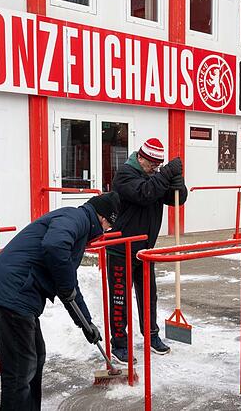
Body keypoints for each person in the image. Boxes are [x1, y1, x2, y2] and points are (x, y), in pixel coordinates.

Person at [0, 192, 120, 411]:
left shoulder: (78, 225)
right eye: (108, 227)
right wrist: (66, 286)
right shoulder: (75, 218)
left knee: (36, 357)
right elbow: (55, 246)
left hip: (18, 296)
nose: (105, 232)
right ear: (102, 219)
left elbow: (69, 284)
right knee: (20, 369)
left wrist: (86, 323)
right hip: (12, 295)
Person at [108, 137, 187, 363]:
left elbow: (176, 199)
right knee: (120, 299)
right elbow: (145, 194)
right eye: (152, 164)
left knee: (149, 296)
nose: (154, 168)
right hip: (121, 249)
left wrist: (178, 182)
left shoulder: (154, 177)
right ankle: (119, 343)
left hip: (145, 250)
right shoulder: (125, 174)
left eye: (158, 165)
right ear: (140, 158)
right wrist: (166, 174)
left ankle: (151, 335)